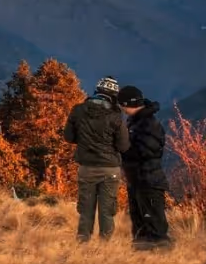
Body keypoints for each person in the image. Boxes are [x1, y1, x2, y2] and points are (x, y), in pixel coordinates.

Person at [63, 76, 130, 243]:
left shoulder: (78, 110)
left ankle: (82, 243)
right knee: (107, 211)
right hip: (110, 169)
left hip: (86, 168)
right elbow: (123, 146)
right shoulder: (116, 117)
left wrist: (84, 140)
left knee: (85, 209)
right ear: (114, 96)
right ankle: (105, 247)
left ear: (97, 91)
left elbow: (68, 137)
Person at [117, 86, 172, 250]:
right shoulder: (135, 121)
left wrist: (123, 150)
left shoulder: (148, 124)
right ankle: (142, 257)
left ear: (127, 104)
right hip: (137, 181)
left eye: (122, 104)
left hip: (149, 181)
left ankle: (163, 259)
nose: (121, 108)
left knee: (155, 226)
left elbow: (148, 151)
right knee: (140, 225)